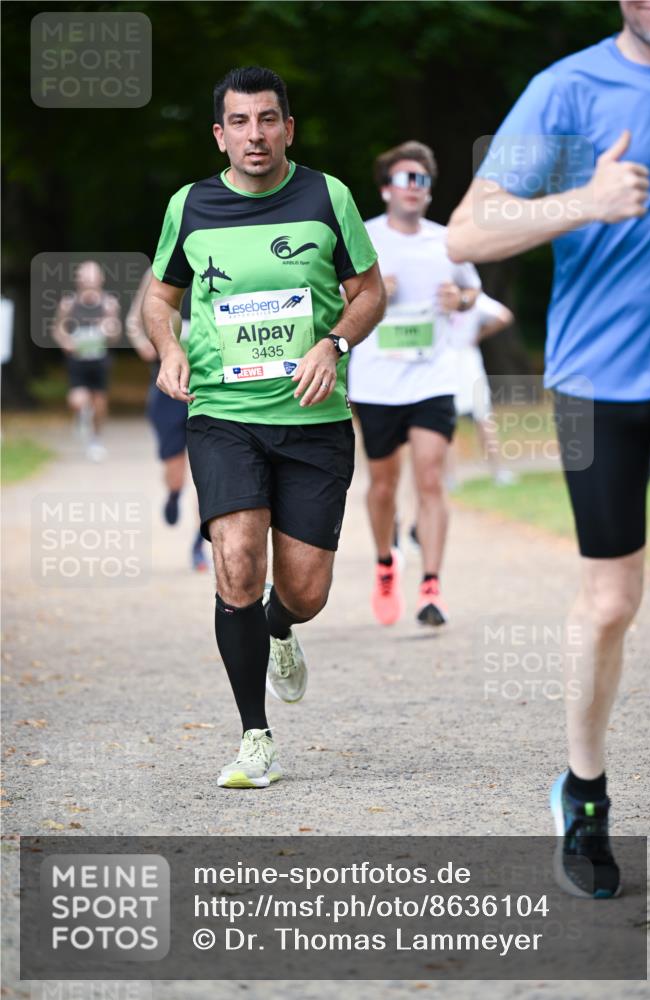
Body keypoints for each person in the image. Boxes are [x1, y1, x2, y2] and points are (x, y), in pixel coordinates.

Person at [448, 0, 650, 898]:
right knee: (611, 600)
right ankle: (582, 793)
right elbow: (466, 231)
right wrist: (584, 201)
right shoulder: (568, 89)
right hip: (599, 382)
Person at [142, 66, 384, 788]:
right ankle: (255, 736)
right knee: (238, 561)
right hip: (224, 415)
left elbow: (369, 293)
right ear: (219, 134)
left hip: (313, 421)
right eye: (240, 122)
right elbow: (159, 297)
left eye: (268, 119)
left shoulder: (326, 196)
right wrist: (171, 346)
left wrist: (332, 343)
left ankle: (280, 627)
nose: (256, 134)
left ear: (288, 128)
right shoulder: (189, 204)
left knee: (305, 591)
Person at [347, 141, 480, 628]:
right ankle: (386, 562)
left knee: (430, 478)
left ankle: (432, 587)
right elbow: (332, 299)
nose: (413, 187)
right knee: (383, 486)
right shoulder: (363, 237)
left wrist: (460, 298)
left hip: (433, 376)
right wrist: (374, 294)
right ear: (386, 189)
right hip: (378, 383)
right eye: (404, 178)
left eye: (421, 180)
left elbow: (472, 291)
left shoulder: (448, 241)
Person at [126, 271, 209, 571]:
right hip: (168, 390)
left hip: (209, 391)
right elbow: (134, 322)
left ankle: (199, 546)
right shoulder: (158, 271)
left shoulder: (218, 261)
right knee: (176, 472)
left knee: (209, 476)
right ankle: (174, 494)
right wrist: (143, 343)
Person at [52, 260, 121, 461]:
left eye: (93, 275)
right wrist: (66, 341)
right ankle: (81, 415)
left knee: (100, 404)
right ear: (78, 279)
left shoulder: (109, 303)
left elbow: (115, 334)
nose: (89, 280)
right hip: (78, 360)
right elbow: (58, 329)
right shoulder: (68, 303)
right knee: (77, 400)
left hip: (99, 360)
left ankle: (95, 440)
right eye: (85, 276)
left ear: (101, 278)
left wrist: (109, 329)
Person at [447, 292, 516, 488]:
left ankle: (450, 477)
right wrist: (478, 335)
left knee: (448, 421)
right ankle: (500, 472)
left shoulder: (443, 294)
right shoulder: (473, 296)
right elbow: (504, 316)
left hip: (447, 361)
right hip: (467, 360)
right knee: (483, 417)